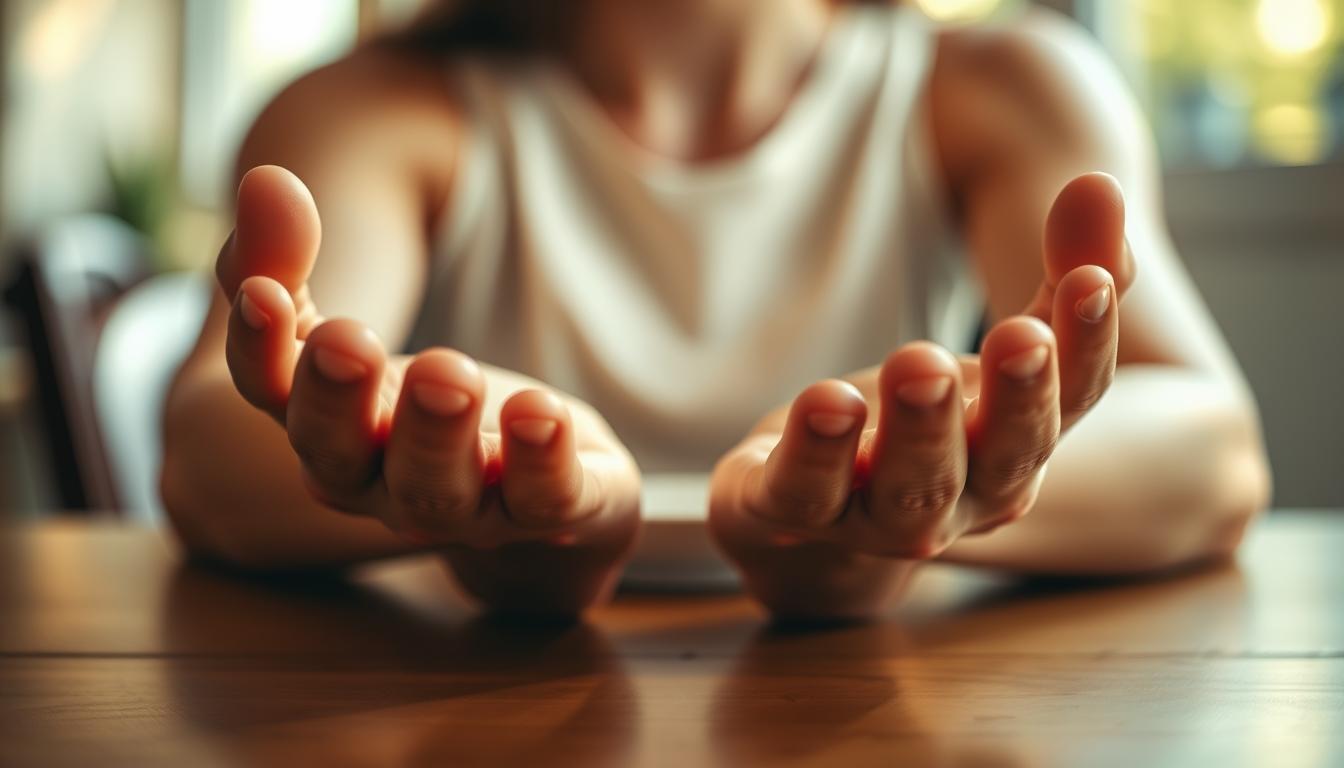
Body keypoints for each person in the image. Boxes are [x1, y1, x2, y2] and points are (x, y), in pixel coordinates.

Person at [161, 0, 1271, 617]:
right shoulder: (372, 107)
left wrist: (909, 505)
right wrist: (500, 485)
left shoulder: (1001, 81)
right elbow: (210, 446)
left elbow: (1215, 449)